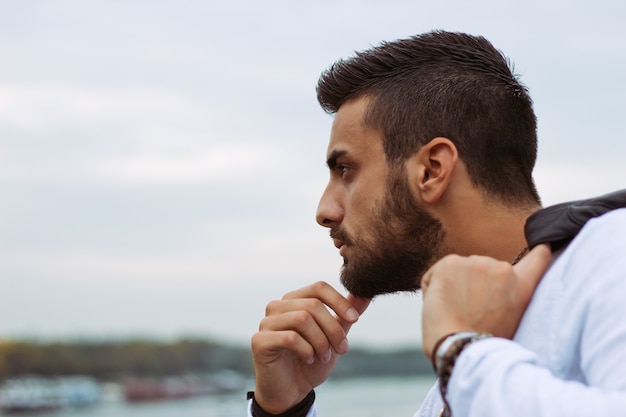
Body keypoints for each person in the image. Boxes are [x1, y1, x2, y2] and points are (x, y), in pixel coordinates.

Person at [246, 30, 626, 417]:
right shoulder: (450, 390)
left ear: (432, 170)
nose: (324, 210)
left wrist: (460, 350)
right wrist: (282, 409)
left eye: (346, 169)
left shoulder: (612, 253)